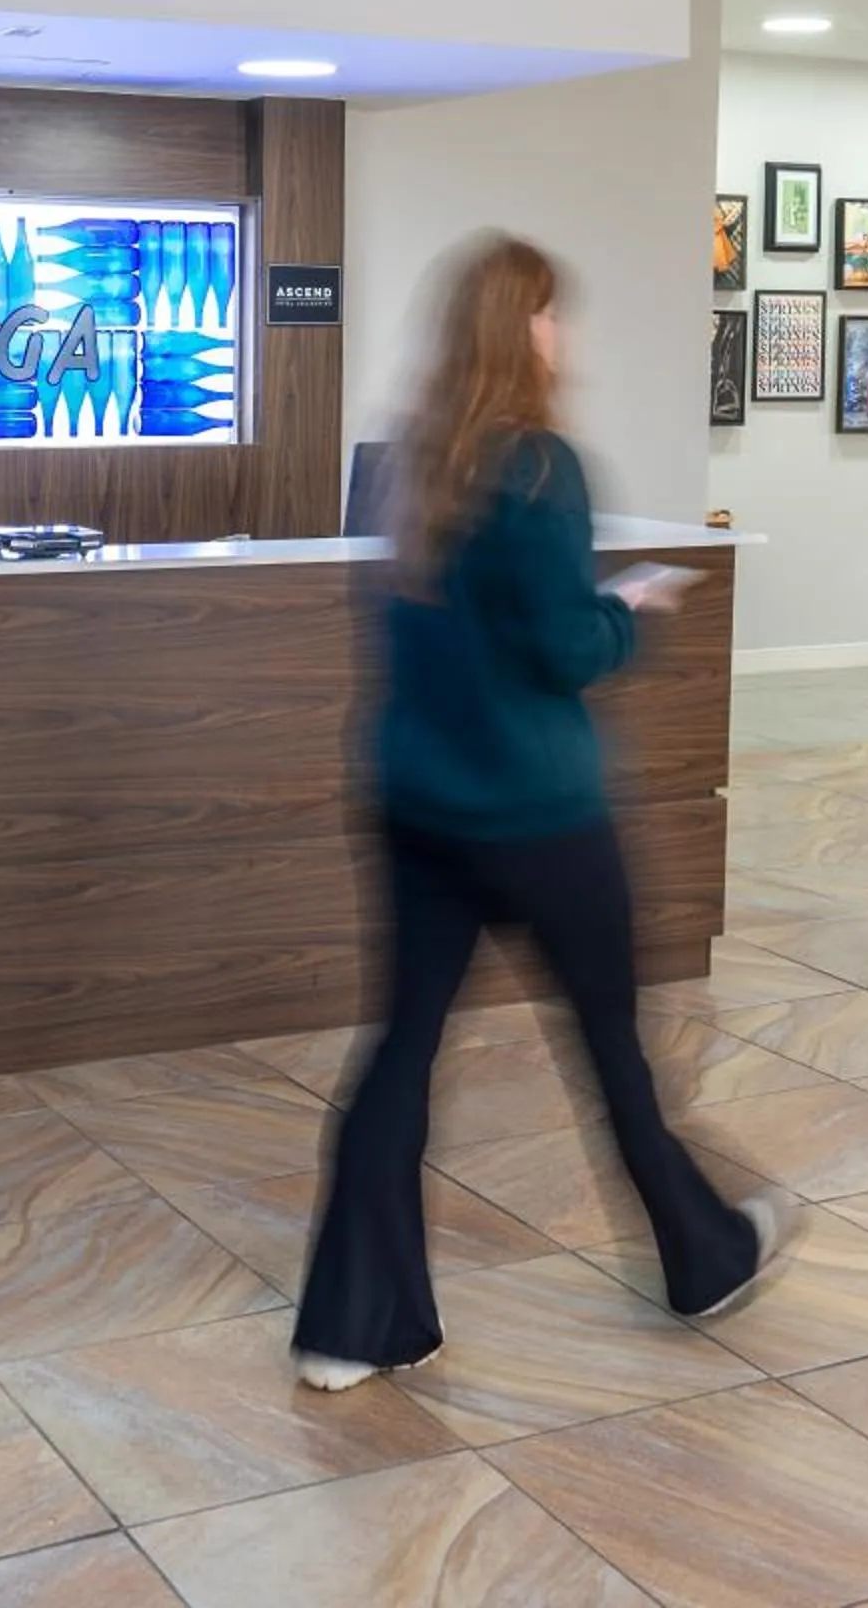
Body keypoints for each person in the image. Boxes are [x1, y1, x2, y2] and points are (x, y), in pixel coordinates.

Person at [291, 232, 771, 1392]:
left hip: (415, 803)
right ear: (523, 331)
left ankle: (352, 1326)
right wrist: (635, 607)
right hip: (537, 812)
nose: (566, 336)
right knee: (611, 1046)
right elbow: (560, 647)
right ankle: (706, 1256)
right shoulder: (543, 468)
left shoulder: (416, 462)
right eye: (554, 315)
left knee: (401, 1051)